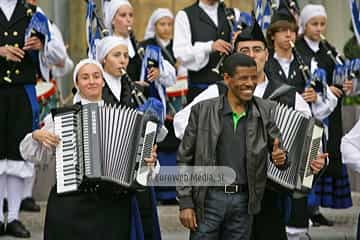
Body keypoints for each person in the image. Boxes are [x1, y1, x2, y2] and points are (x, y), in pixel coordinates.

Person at [20, 59, 159, 240]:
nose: (92, 81)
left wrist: (151, 163)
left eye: (96, 76)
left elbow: (147, 172)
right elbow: (30, 153)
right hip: (72, 204)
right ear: (77, 84)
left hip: (113, 206)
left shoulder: (131, 117)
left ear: (103, 81)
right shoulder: (64, 118)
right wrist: (36, 136)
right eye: (85, 77)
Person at [177, 53, 288, 240]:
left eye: (254, 77)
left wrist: (281, 158)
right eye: (243, 78)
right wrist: (186, 203)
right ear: (227, 79)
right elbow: (185, 158)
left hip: (244, 202)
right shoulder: (202, 110)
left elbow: (281, 155)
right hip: (208, 199)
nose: (250, 83)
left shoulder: (266, 110)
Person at [95, 35, 163, 240]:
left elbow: (149, 129)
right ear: (103, 59)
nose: (123, 60)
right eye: (116, 55)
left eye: (125, 55)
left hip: (136, 168)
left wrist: (150, 145)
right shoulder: (95, 88)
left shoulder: (134, 89)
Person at [0, 0, 57, 237]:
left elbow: (55, 53)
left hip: (22, 92)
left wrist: (42, 44)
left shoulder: (34, 12)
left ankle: (13, 217)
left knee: (18, 155)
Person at [294, 3, 353, 229]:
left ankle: (316, 208)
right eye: (314, 24)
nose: (319, 28)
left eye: (322, 23)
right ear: (304, 25)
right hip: (309, 111)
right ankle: (306, 207)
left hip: (331, 111)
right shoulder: (298, 49)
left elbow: (336, 76)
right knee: (309, 157)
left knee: (325, 155)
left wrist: (344, 84)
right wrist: (327, 89)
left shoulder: (329, 49)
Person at [18, 0, 74, 214]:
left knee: (38, 138)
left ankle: (26, 194)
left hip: (42, 89)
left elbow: (64, 62)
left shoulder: (47, 23)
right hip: (15, 89)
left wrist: (48, 53)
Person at [142, 8, 181, 203]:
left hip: (175, 101)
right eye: (161, 24)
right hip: (154, 97)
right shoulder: (146, 47)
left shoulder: (178, 46)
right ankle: (157, 191)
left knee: (174, 142)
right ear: (154, 26)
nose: (166, 28)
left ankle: (171, 191)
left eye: (169, 24)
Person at [173, 0, 240, 102]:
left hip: (232, 90)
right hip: (200, 92)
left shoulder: (234, 13)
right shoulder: (185, 15)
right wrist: (209, 46)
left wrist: (240, 40)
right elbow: (180, 53)